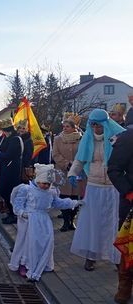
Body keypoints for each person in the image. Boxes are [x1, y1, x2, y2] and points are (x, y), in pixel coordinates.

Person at [68, 109, 125, 272]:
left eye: (98, 125)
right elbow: (80, 159)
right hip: (94, 186)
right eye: (92, 125)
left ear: (105, 124)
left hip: (113, 187)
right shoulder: (87, 139)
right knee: (93, 222)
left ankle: (116, 256)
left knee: (114, 222)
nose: (95, 128)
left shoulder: (118, 139)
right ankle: (91, 256)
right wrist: (73, 173)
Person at [8, 164, 82, 282]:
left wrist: (73, 203)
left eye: (48, 184)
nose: (46, 186)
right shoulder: (27, 190)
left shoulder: (51, 192)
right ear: (38, 180)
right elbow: (17, 205)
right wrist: (23, 213)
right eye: (44, 183)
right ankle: (25, 264)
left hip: (44, 221)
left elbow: (57, 203)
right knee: (29, 242)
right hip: (30, 221)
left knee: (46, 241)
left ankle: (43, 261)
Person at [107, 111, 133, 304]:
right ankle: (125, 285)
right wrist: (128, 192)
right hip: (132, 202)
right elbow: (114, 169)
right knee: (129, 245)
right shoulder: (127, 138)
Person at [52, 117, 84, 232]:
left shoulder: (82, 138)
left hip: (78, 172)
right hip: (63, 172)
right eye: (64, 126)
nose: (65, 128)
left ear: (74, 127)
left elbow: (84, 153)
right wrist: (67, 164)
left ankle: (72, 220)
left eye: (68, 126)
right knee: (64, 197)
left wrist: (76, 165)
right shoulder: (57, 139)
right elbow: (55, 154)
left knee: (76, 197)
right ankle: (65, 221)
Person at [0, 118, 23, 224]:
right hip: (5, 169)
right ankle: (10, 213)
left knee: (10, 192)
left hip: (12, 170)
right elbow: (2, 149)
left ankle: (13, 214)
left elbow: (9, 155)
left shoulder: (15, 139)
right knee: (4, 191)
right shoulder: (7, 138)